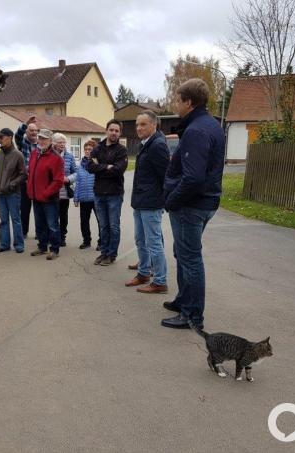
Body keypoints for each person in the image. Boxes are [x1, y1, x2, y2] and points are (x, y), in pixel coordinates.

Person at [161, 78, 226, 330]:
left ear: (188, 102)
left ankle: (191, 315)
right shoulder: (210, 125)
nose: (175, 104)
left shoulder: (197, 130)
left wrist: (171, 200)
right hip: (202, 202)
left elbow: (193, 178)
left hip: (191, 205)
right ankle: (183, 300)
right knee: (183, 252)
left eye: (178, 99)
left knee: (190, 258)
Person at [125, 110, 170, 294]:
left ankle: (160, 281)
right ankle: (144, 273)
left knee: (153, 243)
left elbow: (165, 176)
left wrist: (161, 200)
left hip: (151, 204)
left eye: (143, 124)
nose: (138, 128)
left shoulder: (157, 145)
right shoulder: (147, 144)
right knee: (140, 240)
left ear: (154, 125)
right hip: (141, 202)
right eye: (137, 124)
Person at [87, 119, 129, 266]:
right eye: (111, 130)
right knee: (103, 225)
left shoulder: (122, 150)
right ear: (106, 130)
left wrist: (101, 166)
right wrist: (107, 167)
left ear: (120, 133)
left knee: (113, 226)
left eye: (117, 131)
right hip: (99, 193)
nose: (114, 133)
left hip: (114, 194)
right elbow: (89, 166)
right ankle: (103, 252)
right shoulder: (97, 148)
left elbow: (118, 170)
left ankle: (111, 254)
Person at [27, 128, 64, 260]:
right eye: (40, 138)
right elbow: (30, 173)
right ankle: (42, 247)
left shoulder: (56, 158)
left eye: (44, 139)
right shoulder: (34, 153)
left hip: (49, 198)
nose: (41, 141)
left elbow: (58, 181)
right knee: (39, 224)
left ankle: (54, 249)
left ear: (50, 141)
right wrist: (30, 190)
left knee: (52, 225)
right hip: (35, 196)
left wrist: (46, 193)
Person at [0, 128, 27, 253]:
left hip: (13, 193)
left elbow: (24, 175)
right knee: (4, 220)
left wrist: (12, 184)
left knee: (16, 219)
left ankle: (19, 244)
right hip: (0, 193)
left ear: (10, 137)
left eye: (2, 137)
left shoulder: (18, 155)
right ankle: (4, 244)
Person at [14, 117, 39, 237]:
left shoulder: (41, 145)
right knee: (24, 208)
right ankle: (24, 232)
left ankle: (39, 232)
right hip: (25, 182)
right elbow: (17, 135)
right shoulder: (23, 144)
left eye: (35, 131)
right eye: (31, 130)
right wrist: (25, 124)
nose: (34, 133)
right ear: (27, 132)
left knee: (39, 208)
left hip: (38, 182)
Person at [74, 139, 101, 250]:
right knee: (84, 221)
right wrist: (76, 198)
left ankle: (101, 242)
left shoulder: (98, 164)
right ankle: (86, 241)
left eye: (90, 149)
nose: (87, 151)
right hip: (84, 198)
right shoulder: (80, 165)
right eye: (86, 149)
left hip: (96, 198)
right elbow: (78, 182)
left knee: (101, 221)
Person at [52, 132, 77, 247]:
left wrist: (69, 178)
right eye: (59, 142)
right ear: (54, 143)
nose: (62, 144)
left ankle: (62, 237)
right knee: (52, 215)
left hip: (64, 192)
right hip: (51, 191)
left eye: (63, 142)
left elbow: (76, 172)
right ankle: (53, 236)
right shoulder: (49, 155)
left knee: (63, 215)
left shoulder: (70, 156)